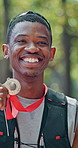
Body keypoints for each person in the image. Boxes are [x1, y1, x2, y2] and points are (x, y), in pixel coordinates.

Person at [0, 10, 78, 148]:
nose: (32, 48)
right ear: (6, 51)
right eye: (21, 41)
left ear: (51, 53)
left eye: (41, 42)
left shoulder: (71, 111)